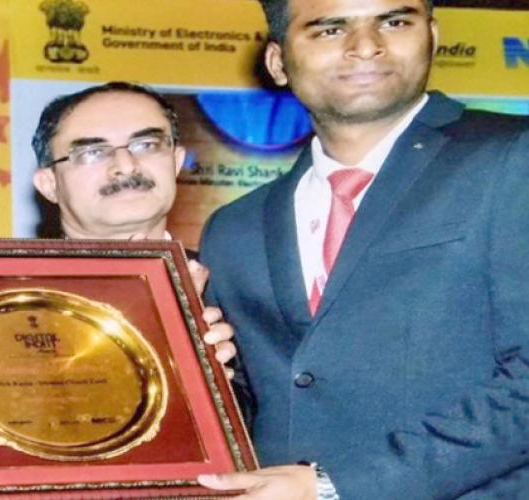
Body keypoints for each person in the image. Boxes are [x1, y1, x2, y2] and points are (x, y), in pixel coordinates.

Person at [197, 0, 529, 498]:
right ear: (277, 62)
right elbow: (259, 401)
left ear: (433, 36)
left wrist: (335, 486)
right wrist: (199, 374)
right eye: (329, 29)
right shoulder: (232, 228)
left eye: (394, 22)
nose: (367, 46)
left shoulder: (512, 156)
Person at [31, 80, 245, 408]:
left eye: (146, 144)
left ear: (176, 161)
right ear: (49, 184)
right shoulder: (6, 297)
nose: (126, 166)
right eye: (92, 152)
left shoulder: (238, 291)